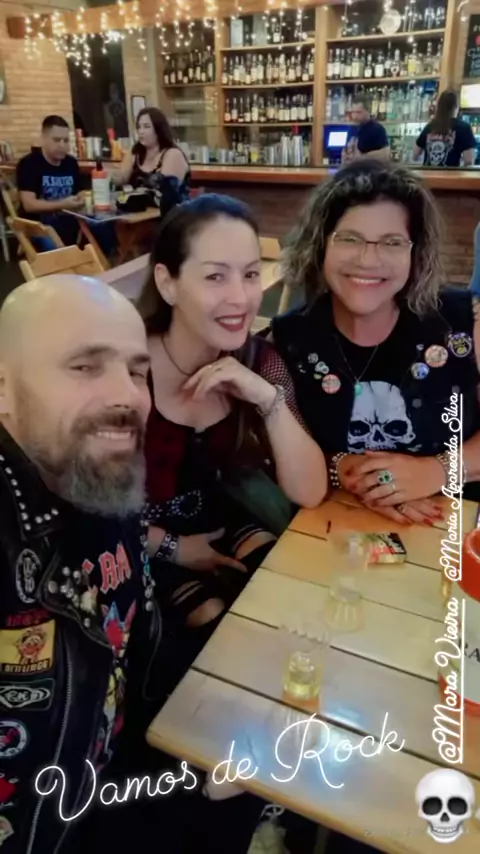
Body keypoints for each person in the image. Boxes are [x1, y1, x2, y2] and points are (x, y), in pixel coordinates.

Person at [136, 193, 327, 645]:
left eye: (251, 274)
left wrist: (266, 398)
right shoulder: (127, 368)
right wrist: (174, 548)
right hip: (132, 538)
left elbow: (311, 491)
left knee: (289, 591)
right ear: (167, 283)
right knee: (209, 619)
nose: (240, 298)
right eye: (215, 276)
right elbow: (76, 507)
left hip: (221, 521)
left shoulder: (259, 362)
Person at [271, 159, 480, 525]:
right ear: (320, 245)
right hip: (335, 530)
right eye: (349, 239)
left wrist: (438, 470)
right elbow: (280, 450)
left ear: (415, 253)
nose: (368, 260)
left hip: (460, 531)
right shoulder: (290, 339)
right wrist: (346, 471)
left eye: (392, 242)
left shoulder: (465, 321)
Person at [16, 115, 83, 247]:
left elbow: (79, 192)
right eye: (56, 140)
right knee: (52, 244)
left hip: (70, 223)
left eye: (66, 140)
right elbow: (29, 205)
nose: (62, 145)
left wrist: (82, 197)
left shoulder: (71, 163)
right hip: (39, 227)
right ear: (44, 139)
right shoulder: (29, 164)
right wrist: (62, 204)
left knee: (102, 229)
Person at [115, 107, 190, 216]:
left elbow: (164, 195)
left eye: (146, 127)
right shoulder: (135, 152)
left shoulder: (172, 154)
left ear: (159, 129)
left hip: (170, 217)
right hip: (138, 216)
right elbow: (121, 179)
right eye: (139, 127)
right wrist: (107, 176)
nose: (141, 131)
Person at [413, 90, 476, 168]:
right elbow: (469, 161)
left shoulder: (430, 126)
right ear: (456, 106)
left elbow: (415, 154)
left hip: (427, 173)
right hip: (450, 175)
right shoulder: (464, 128)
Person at [343, 95, 390, 163]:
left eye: (358, 112)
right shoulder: (352, 128)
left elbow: (385, 155)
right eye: (353, 112)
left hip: (370, 168)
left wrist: (362, 157)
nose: (355, 116)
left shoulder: (377, 129)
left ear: (368, 111)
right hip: (354, 168)